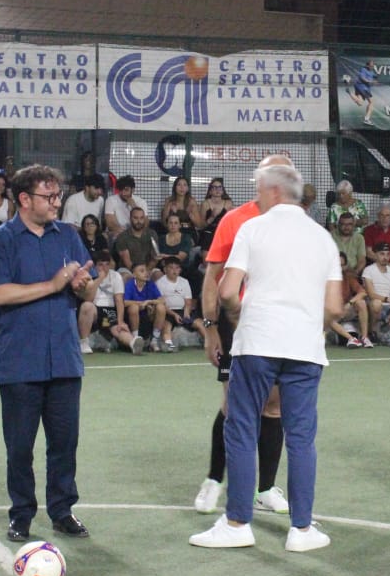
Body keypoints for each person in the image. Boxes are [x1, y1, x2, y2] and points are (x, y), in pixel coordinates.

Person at [189, 161, 343, 551]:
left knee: (241, 427)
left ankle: (237, 524)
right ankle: (302, 530)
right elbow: (334, 307)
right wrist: (314, 328)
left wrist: (237, 316)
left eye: (259, 190)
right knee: (301, 437)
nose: (257, 197)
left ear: (274, 191)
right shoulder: (323, 238)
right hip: (305, 350)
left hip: (257, 344)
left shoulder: (253, 229)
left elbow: (227, 291)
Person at [0, 165, 98, 541]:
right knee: (19, 447)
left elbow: (90, 290)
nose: (56, 202)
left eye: (57, 195)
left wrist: (82, 285)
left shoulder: (68, 235)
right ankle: (21, 514)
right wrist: (53, 284)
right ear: (24, 199)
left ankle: (62, 510)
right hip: (20, 361)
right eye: (48, 196)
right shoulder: (1, 240)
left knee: (64, 444)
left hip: (64, 358)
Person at [194, 155, 294, 515]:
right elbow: (213, 278)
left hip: (278, 325)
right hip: (235, 324)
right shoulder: (234, 220)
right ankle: (213, 480)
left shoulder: (297, 222)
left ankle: (264, 489)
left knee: (273, 404)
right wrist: (210, 329)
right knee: (233, 404)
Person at [79, 248, 136, 352]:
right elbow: (89, 298)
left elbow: (119, 300)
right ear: (95, 266)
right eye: (100, 265)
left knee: (117, 329)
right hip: (95, 310)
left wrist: (120, 321)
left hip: (109, 310)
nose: (104, 268)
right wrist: (99, 279)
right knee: (87, 306)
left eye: (107, 264)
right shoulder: (88, 277)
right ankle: (84, 343)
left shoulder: (116, 276)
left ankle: (133, 343)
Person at [113, 206, 160, 275]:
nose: (139, 221)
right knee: (125, 277)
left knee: (158, 275)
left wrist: (147, 271)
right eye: (135, 218)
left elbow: (155, 257)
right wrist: (139, 273)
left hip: (148, 268)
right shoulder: (122, 236)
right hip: (128, 269)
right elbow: (127, 262)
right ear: (130, 219)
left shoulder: (152, 234)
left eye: (141, 218)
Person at [349, 59, 378, 126]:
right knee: (371, 102)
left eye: (373, 66)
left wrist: (376, 71)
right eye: (371, 66)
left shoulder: (372, 71)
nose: (372, 67)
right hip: (362, 87)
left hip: (361, 88)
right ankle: (366, 119)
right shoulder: (363, 70)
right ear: (367, 65)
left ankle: (350, 93)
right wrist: (371, 82)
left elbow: (376, 76)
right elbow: (363, 78)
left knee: (360, 103)